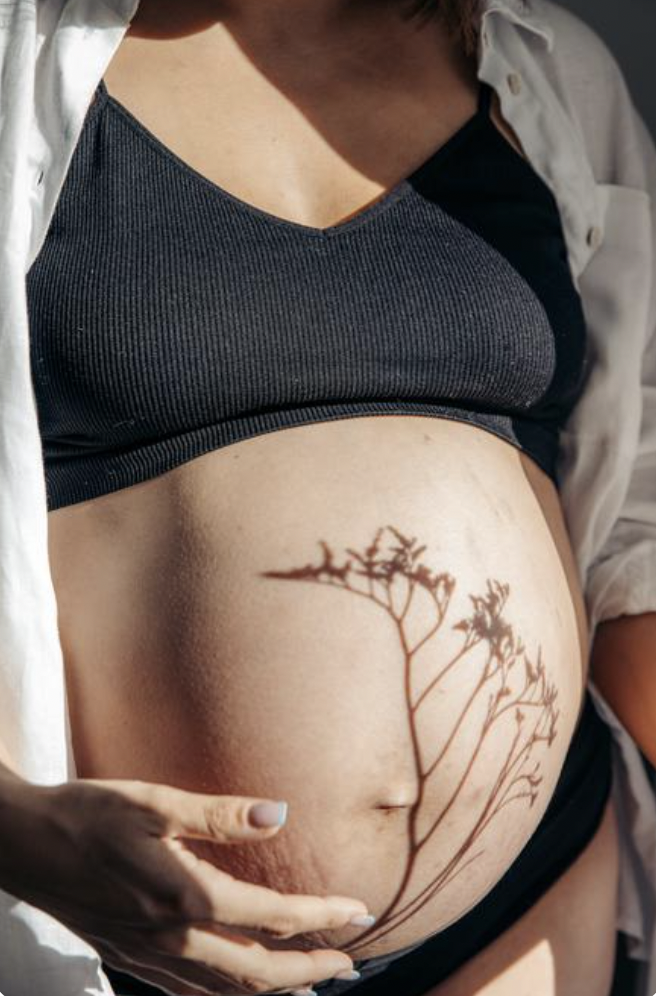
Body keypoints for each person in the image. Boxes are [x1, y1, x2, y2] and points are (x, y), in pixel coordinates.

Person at [0, 1, 655, 995]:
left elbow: (636, 527)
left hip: (523, 913)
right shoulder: (21, 58)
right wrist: (16, 835)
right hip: (118, 925)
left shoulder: (544, 69)